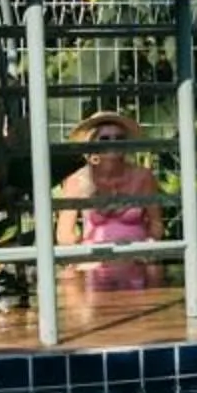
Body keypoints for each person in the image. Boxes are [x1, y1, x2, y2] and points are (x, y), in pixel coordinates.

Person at [56, 110, 163, 292]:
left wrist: (149, 245)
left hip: (136, 254)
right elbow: (64, 233)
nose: (112, 143)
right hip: (93, 258)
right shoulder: (77, 180)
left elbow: (156, 224)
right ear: (92, 144)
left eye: (119, 138)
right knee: (70, 278)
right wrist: (79, 254)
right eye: (105, 139)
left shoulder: (143, 176)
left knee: (154, 270)